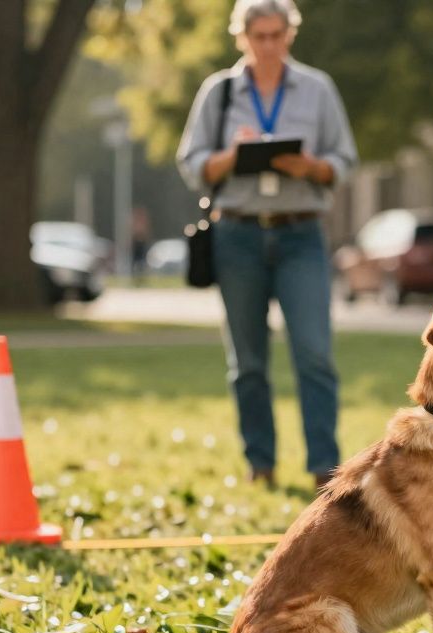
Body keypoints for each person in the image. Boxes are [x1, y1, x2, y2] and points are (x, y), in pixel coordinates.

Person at [177, 0, 358, 489]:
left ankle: (326, 468)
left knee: (315, 354)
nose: (269, 45)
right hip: (239, 233)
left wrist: (311, 168)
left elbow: (344, 160)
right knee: (248, 361)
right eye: (259, 36)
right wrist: (234, 156)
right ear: (243, 37)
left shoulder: (317, 89)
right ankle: (261, 464)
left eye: (277, 35)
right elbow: (192, 163)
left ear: (290, 35)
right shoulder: (219, 91)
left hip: (302, 231)